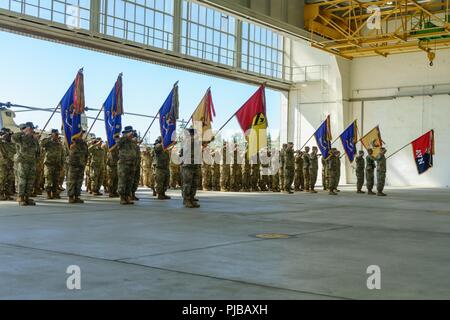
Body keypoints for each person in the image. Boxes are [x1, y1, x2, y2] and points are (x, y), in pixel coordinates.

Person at [12, 122, 40, 206]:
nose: (32, 130)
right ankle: (20, 197)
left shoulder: (34, 140)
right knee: (22, 181)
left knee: (30, 180)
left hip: (32, 163)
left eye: (32, 129)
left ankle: (27, 197)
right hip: (23, 162)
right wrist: (23, 132)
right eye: (30, 129)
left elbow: (37, 151)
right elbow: (13, 138)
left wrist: (36, 161)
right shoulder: (21, 138)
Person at [115, 126, 137, 204]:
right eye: (130, 132)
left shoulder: (132, 142)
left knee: (129, 181)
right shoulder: (121, 139)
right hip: (123, 164)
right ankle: (122, 197)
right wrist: (126, 137)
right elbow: (117, 143)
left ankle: (127, 197)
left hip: (131, 164)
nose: (132, 134)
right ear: (126, 133)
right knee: (123, 181)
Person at [41, 129, 64, 199]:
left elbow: (62, 155)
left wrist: (62, 165)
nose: (57, 136)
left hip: (57, 164)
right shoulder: (48, 143)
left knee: (56, 180)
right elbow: (42, 143)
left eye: (57, 135)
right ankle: (48, 193)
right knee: (48, 180)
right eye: (55, 134)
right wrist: (50, 137)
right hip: (49, 164)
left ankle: (54, 193)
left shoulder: (60, 144)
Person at [180, 128, 200, 208]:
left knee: (194, 184)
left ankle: (191, 199)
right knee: (187, 184)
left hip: (194, 165)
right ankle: (186, 200)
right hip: (188, 166)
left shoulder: (195, 142)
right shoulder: (187, 141)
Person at [67, 132, 88, 204]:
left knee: (79, 182)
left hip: (81, 165)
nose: (81, 135)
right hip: (74, 165)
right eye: (80, 133)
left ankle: (76, 196)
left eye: (82, 134)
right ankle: (71, 197)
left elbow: (86, 154)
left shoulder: (84, 144)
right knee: (72, 182)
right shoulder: (72, 142)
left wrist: (85, 162)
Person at [0, 128, 15, 201]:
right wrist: (2, 137)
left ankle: (8, 194)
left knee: (10, 179)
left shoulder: (12, 144)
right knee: (2, 179)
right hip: (2, 165)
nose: (9, 136)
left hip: (11, 164)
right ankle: (0, 194)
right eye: (8, 135)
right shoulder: (1, 143)